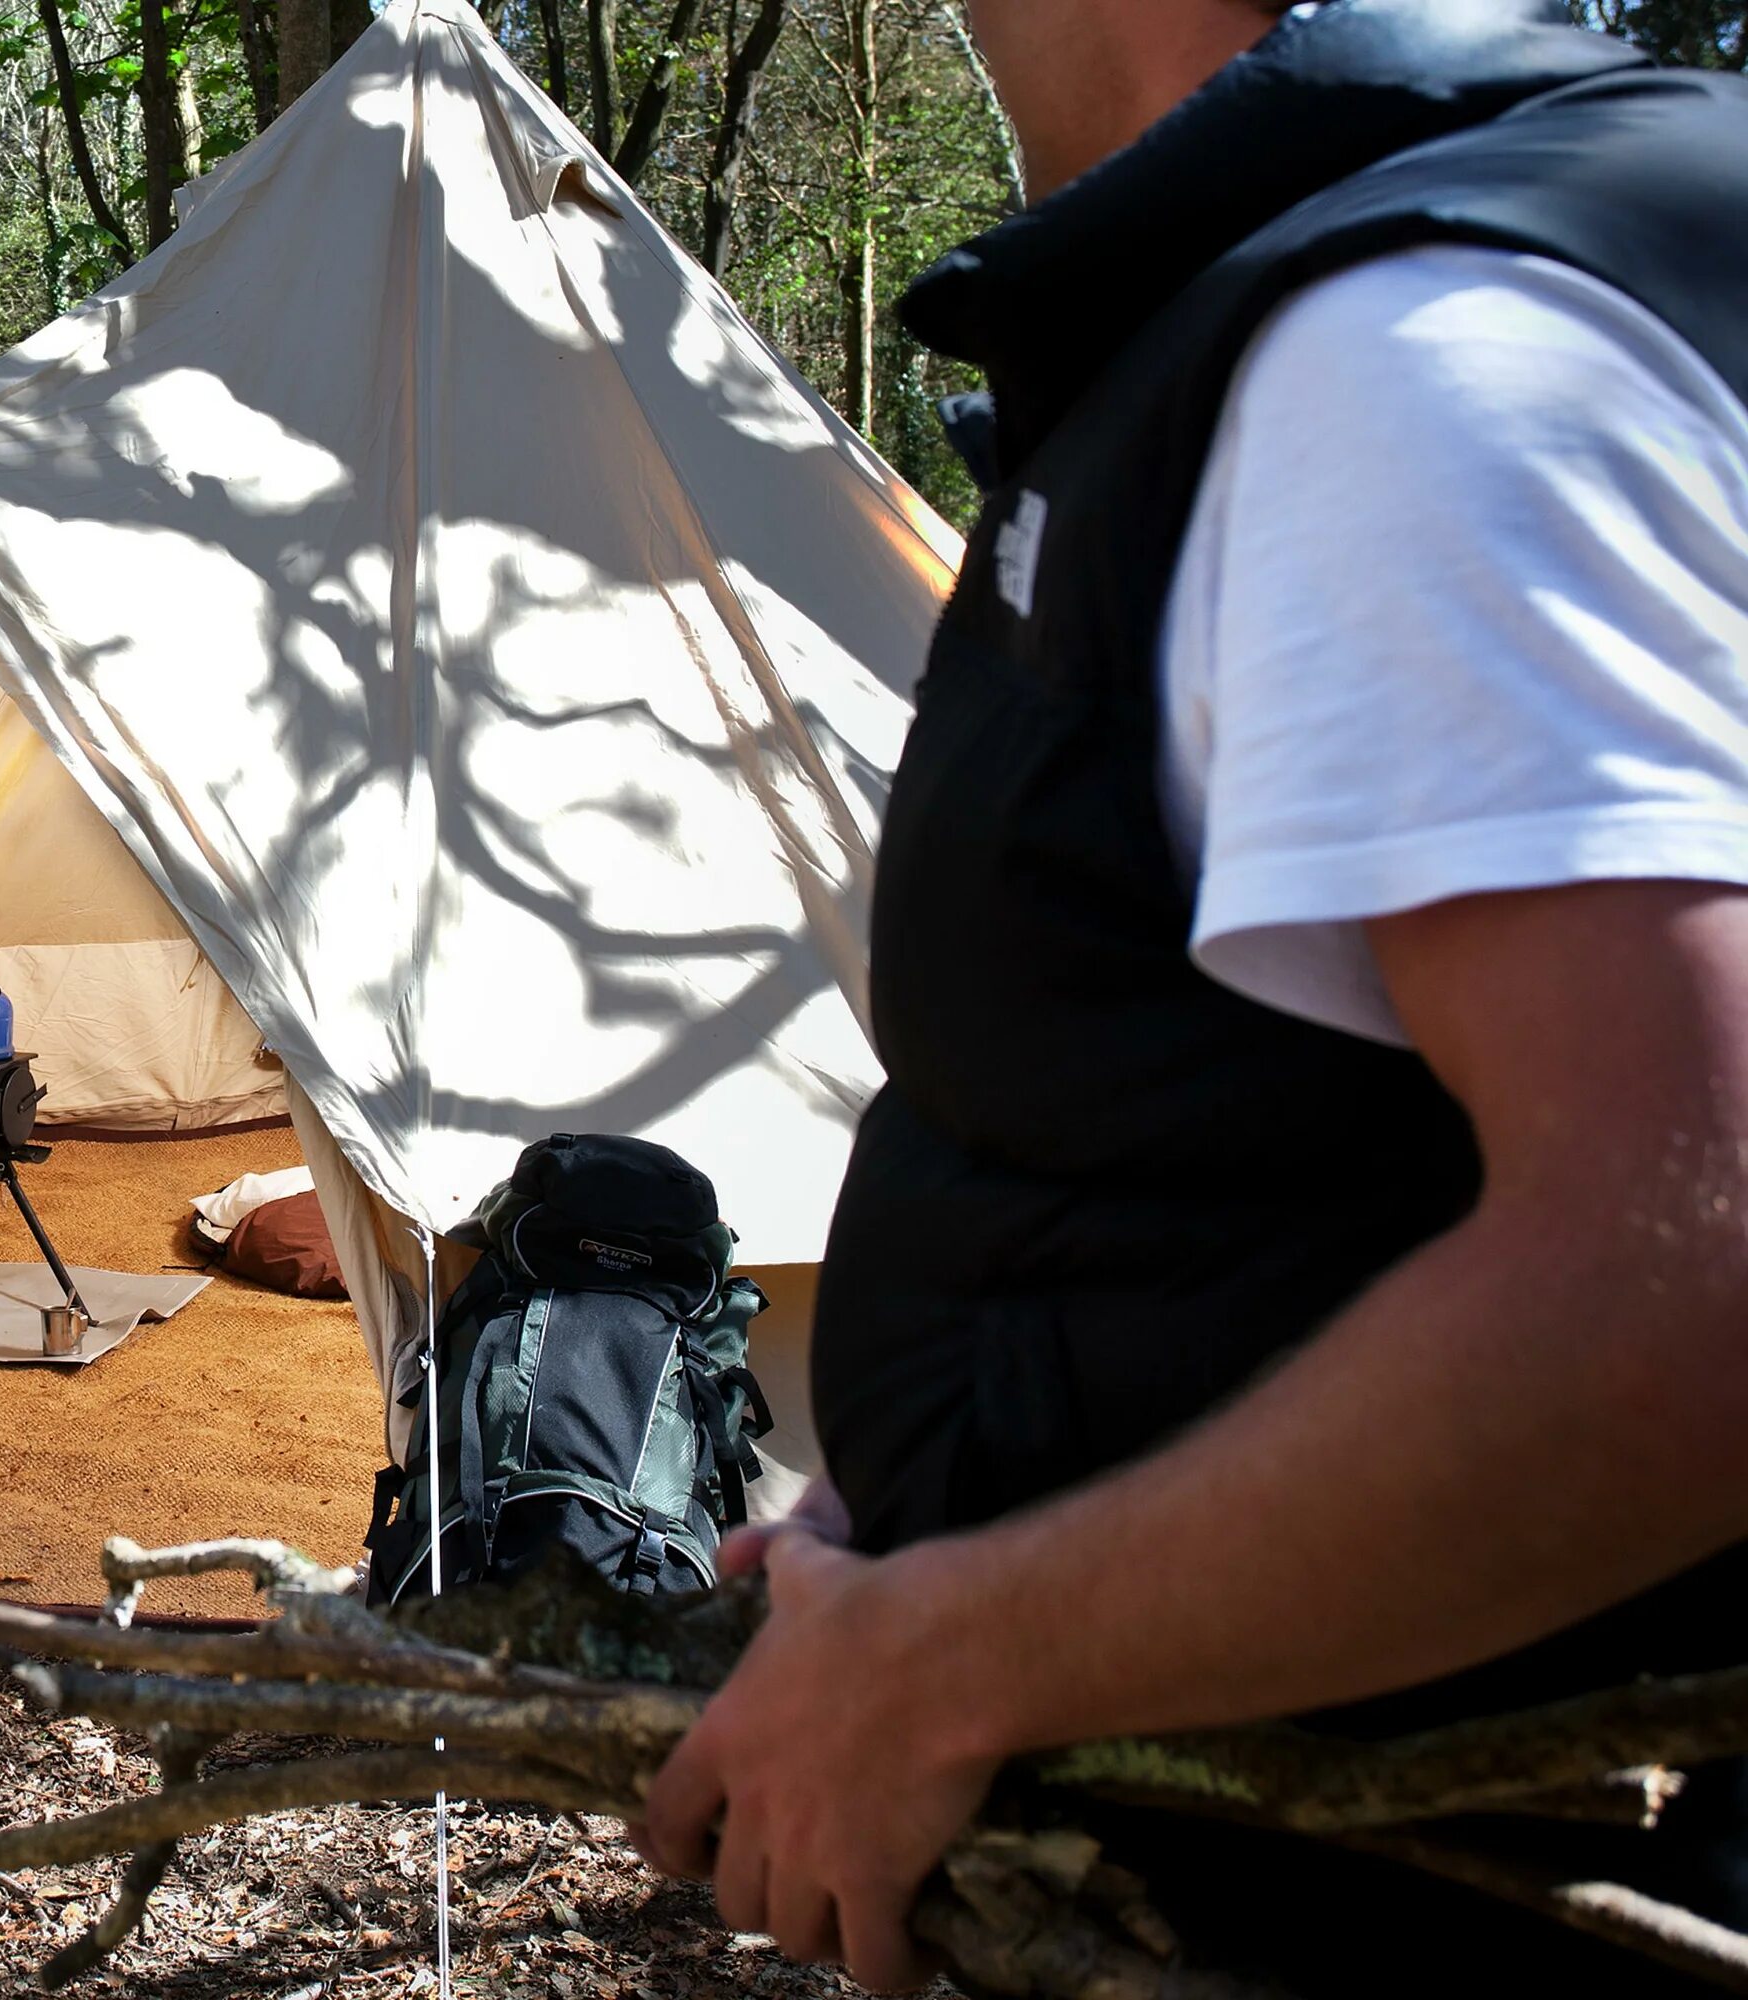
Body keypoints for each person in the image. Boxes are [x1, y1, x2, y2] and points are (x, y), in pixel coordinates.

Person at [630, 0, 1748, 1991]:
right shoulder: (1342, 297)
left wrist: (963, 1653)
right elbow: (1255, 1140)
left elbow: (1687, 1281)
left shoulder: (1415, 361)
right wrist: (943, 1493)